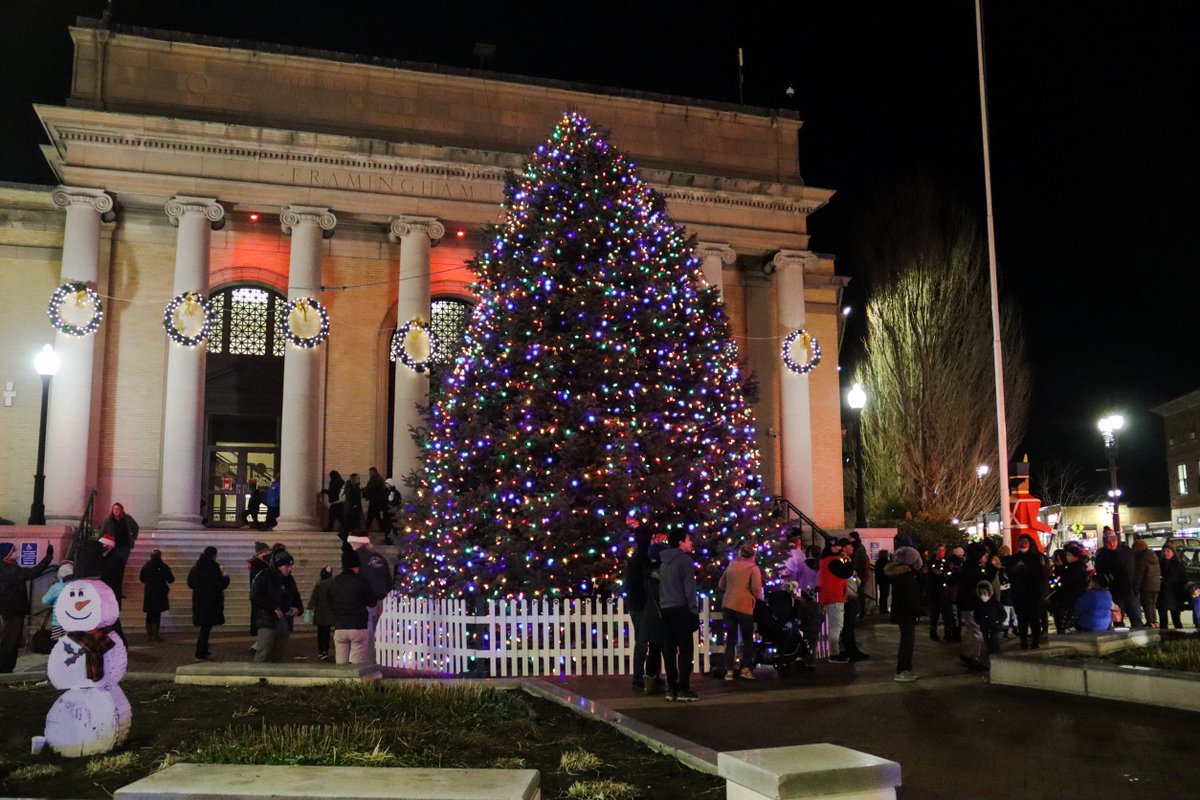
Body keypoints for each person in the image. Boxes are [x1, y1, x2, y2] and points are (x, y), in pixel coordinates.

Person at [656, 529, 699, 701]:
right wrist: (693, 611)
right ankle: (683, 688)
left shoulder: (663, 562)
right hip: (681, 608)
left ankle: (671, 687)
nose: (691, 542)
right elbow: (689, 588)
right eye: (688, 539)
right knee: (686, 649)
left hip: (666, 609)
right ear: (681, 542)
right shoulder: (685, 561)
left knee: (669, 649)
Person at [0, 541, 54, 673]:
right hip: (12, 609)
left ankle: (7, 666)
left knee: (12, 638)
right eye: (14, 551)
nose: (16, 553)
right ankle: (4, 667)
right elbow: (31, 572)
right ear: (7, 554)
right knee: (10, 640)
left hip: (11, 609)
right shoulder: (7, 569)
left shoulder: (9, 565)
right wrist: (47, 558)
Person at [624, 528, 662, 693]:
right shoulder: (642, 558)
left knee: (645, 640)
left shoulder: (639, 557)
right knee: (643, 641)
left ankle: (647, 676)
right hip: (641, 605)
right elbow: (646, 577)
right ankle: (640, 677)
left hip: (638, 604)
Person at [718, 540, 763, 681]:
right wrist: (758, 597)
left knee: (730, 639)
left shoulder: (731, 565)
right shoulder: (753, 568)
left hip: (728, 605)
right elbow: (756, 588)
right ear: (752, 555)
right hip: (744, 606)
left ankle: (729, 671)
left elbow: (721, 584)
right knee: (747, 639)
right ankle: (745, 669)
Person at [346, 533, 392, 666]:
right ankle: (372, 660)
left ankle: (365, 663)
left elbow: (352, 579)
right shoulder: (380, 557)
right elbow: (389, 581)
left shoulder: (355, 558)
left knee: (364, 633)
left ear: (357, 543)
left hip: (364, 600)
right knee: (373, 631)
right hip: (380, 600)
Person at [251, 549, 302, 662]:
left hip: (284, 620)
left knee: (278, 653)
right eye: (287, 566)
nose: (290, 569)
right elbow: (255, 596)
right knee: (263, 653)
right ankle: (259, 677)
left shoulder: (289, 579)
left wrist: (298, 609)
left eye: (290, 566)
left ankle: (273, 676)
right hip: (267, 621)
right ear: (278, 566)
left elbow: (296, 596)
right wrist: (273, 607)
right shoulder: (264, 576)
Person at [328, 549, 375, 664]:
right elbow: (372, 601)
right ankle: (354, 681)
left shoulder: (334, 582)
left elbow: (329, 602)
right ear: (356, 565)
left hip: (340, 627)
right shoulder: (361, 581)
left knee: (341, 664)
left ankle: (340, 681)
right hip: (358, 626)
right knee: (356, 665)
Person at [886, 544, 922, 682]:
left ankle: (906, 669)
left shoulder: (901, 575)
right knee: (907, 642)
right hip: (906, 613)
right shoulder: (906, 577)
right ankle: (902, 670)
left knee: (907, 641)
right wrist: (917, 611)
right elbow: (909, 597)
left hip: (903, 612)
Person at [187, 546, 230, 660]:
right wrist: (226, 577)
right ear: (213, 555)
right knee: (206, 628)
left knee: (205, 627)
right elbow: (220, 584)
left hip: (199, 601)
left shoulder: (196, 567)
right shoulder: (213, 568)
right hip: (211, 602)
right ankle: (200, 653)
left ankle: (204, 650)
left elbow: (190, 583)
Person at [1094, 528, 1142, 628]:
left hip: (1131, 591)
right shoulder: (1102, 555)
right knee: (1118, 620)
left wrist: (1136, 586)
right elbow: (1101, 574)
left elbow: (1137, 569)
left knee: (1136, 619)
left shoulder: (1127, 551)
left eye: (1113, 540)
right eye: (1109, 542)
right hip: (1115, 593)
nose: (1112, 544)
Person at [1009, 534, 1047, 649]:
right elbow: (1009, 573)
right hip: (1019, 594)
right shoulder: (1014, 558)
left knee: (1034, 619)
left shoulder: (1036, 557)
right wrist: (1015, 568)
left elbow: (1040, 575)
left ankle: (1035, 641)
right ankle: (1023, 641)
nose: (1022, 544)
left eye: (1025, 542)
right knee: (1022, 620)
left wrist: (1025, 568)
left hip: (1033, 594)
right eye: (1020, 542)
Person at [820, 538, 855, 662]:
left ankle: (835, 651)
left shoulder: (824, 561)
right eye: (838, 548)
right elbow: (847, 572)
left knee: (835, 626)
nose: (841, 550)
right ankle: (834, 653)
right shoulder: (833, 561)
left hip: (831, 596)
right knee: (836, 627)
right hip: (835, 597)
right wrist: (847, 560)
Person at [138, 549, 174, 642]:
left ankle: (149, 635)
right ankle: (155, 635)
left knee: (149, 614)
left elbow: (142, 578)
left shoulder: (146, 566)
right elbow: (171, 579)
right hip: (159, 593)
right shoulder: (163, 566)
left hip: (149, 592)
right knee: (156, 614)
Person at [973, 580, 1006, 668]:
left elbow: (1003, 614)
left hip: (995, 628)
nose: (982, 596)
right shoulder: (979, 605)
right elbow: (976, 616)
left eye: (984, 593)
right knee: (988, 644)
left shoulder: (995, 603)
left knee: (994, 644)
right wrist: (979, 621)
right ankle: (990, 662)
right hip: (985, 628)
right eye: (980, 594)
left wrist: (998, 621)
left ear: (989, 593)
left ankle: (997, 663)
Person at [41, 561, 74, 641]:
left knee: (57, 645)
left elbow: (45, 600)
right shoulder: (77, 586)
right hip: (73, 622)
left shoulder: (56, 587)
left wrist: (53, 602)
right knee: (71, 644)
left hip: (58, 622)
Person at [1131, 539, 1161, 627]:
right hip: (1155, 585)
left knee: (1147, 604)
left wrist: (1136, 587)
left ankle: (1150, 622)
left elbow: (1139, 573)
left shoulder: (1142, 557)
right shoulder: (1153, 555)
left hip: (1146, 585)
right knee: (1152, 604)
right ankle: (1154, 621)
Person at [246, 541, 270, 648]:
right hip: (259, 592)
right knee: (258, 613)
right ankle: (256, 635)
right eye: (267, 550)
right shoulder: (258, 563)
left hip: (258, 591)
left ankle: (257, 634)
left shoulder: (258, 562)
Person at [1158, 543, 1188, 629]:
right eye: (1164, 551)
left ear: (1173, 552)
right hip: (1162, 596)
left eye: (1168, 551)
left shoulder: (1179, 565)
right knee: (1163, 621)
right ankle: (1163, 639)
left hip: (1175, 596)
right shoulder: (1159, 564)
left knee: (1176, 620)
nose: (1165, 553)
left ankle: (1179, 638)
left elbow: (1184, 580)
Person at [308, 566, 334, 661]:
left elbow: (313, 599)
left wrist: (309, 609)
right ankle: (325, 651)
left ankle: (321, 650)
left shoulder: (318, 585)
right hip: (329, 613)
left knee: (320, 632)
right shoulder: (332, 585)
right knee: (326, 633)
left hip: (319, 613)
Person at [925, 543, 950, 640]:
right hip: (934, 590)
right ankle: (933, 632)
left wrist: (944, 574)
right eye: (940, 550)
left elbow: (948, 573)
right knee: (934, 612)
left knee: (945, 612)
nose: (941, 552)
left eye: (943, 550)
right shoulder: (931, 561)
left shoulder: (946, 561)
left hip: (943, 590)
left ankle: (947, 632)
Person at [847, 531, 871, 617]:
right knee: (857, 591)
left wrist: (860, 574)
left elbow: (862, 562)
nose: (849, 539)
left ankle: (861, 611)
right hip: (855, 574)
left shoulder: (859, 548)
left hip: (858, 574)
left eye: (850, 537)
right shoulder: (858, 547)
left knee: (859, 592)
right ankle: (859, 611)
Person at [363, 467, 389, 535]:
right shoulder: (376, 479)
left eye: (371, 472)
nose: (370, 474)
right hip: (376, 501)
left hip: (375, 501)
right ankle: (382, 529)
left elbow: (371, 489)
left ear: (374, 472)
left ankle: (367, 529)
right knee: (375, 517)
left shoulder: (376, 479)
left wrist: (365, 492)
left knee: (371, 517)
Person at [874, 550, 892, 615]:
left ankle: (881, 609)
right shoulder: (887, 562)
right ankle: (884, 608)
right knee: (885, 594)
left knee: (882, 594)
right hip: (886, 580)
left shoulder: (878, 562)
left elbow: (877, 571)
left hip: (880, 580)